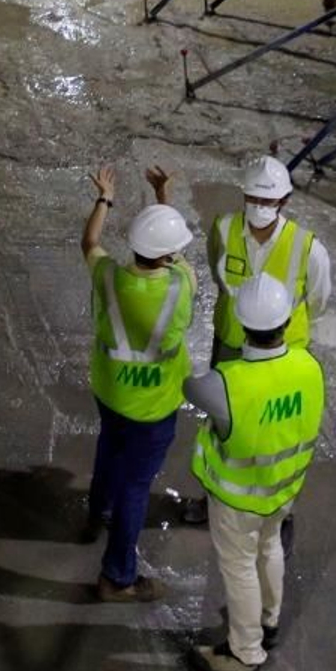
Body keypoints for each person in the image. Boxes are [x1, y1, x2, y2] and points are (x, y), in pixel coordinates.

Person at [187, 273, 326, 671]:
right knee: (270, 549)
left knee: (240, 567)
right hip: (284, 488)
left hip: (238, 501)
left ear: (241, 323)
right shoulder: (309, 365)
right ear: (286, 321)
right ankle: (269, 620)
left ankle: (246, 652)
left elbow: (188, 388)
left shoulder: (226, 382)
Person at [82, 163, 196, 602]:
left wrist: (104, 198)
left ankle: (98, 512)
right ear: (169, 253)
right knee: (136, 486)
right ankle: (118, 576)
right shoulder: (181, 285)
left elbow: (89, 242)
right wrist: (163, 196)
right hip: (154, 406)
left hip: (110, 391)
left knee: (109, 448)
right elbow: (177, 254)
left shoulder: (108, 275)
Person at [207, 154, 330, 364]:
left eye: (267, 201)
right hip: (232, 341)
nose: (258, 206)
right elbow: (217, 274)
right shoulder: (224, 228)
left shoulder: (309, 248)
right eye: (253, 198)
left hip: (285, 349)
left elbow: (318, 300)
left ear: (283, 200)